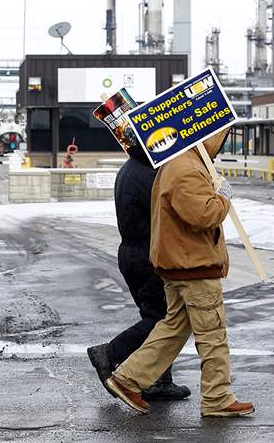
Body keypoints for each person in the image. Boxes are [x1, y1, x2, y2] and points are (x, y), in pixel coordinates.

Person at [105, 132, 255, 418]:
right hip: (194, 265)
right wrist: (223, 196)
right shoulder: (186, 167)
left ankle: (127, 379)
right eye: (219, 142)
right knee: (212, 334)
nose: (219, 149)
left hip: (181, 263)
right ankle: (217, 397)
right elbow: (203, 215)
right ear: (208, 139)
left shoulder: (180, 163)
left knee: (173, 327)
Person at [86, 140, 191, 402]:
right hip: (147, 254)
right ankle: (109, 353)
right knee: (163, 319)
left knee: (158, 315)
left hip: (133, 252)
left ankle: (158, 380)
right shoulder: (149, 173)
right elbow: (168, 213)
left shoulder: (132, 167)